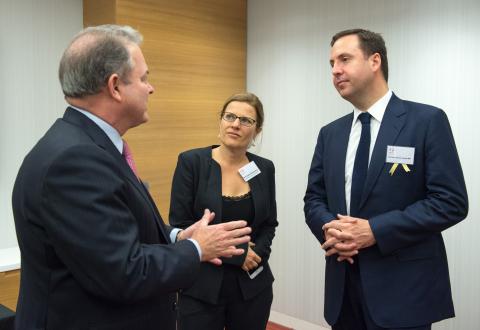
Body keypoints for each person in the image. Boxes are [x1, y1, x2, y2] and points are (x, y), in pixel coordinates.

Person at [11, 25, 252, 330]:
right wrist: (197, 249)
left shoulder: (87, 146)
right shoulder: (75, 161)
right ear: (115, 87)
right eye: (143, 78)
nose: (150, 88)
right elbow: (123, 271)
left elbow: (115, 229)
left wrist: (178, 237)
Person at [304, 28, 468, 330]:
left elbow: (451, 202)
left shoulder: (426, 121)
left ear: (374, 61)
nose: (335, 71)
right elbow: (314, 199)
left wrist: (375, 230)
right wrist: (332, 231)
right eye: (331, 64)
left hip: (404, 292)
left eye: (344, 59)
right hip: (344, 288)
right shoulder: (331, 134)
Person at [169, 92, 277, 330]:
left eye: (246, 120)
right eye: (230, 116)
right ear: (220, 121)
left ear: (257, 131)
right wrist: (239, 255)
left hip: (252, 286)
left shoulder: (264, 168)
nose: (236, 124)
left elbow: (269, 223)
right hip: (202, 287)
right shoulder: (191, 162)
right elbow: (182, 225)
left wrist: (255, 255)